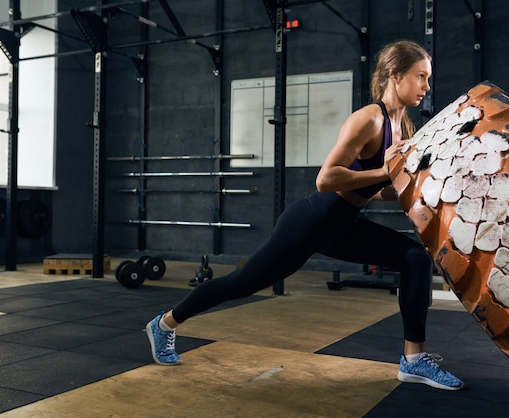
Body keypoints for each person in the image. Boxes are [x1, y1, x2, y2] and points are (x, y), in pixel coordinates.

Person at [146, 39, 464, 391]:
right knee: (242, 284)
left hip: (342, 225)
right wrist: (387, 171)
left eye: (428, 78)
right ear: (395, 75)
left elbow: (380, 189)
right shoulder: (368, 120)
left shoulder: (403, 127)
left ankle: (414, 360)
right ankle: (165, 324)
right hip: (310, 222)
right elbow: (326, 178)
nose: (426, 86)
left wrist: (427, 193)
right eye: (420, 76)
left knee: (414, 258)